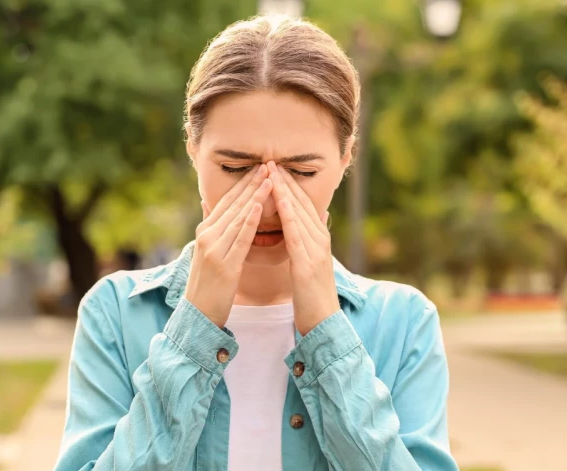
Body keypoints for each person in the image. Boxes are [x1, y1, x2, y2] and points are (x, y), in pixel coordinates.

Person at [54, 15, 459, 471]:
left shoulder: (403, 323)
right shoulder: (116, 312)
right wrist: (194, 330)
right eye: (234, 167)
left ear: (346, 158)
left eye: (301, 172)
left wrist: (327, 334)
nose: (267, 200)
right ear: (193, 148)